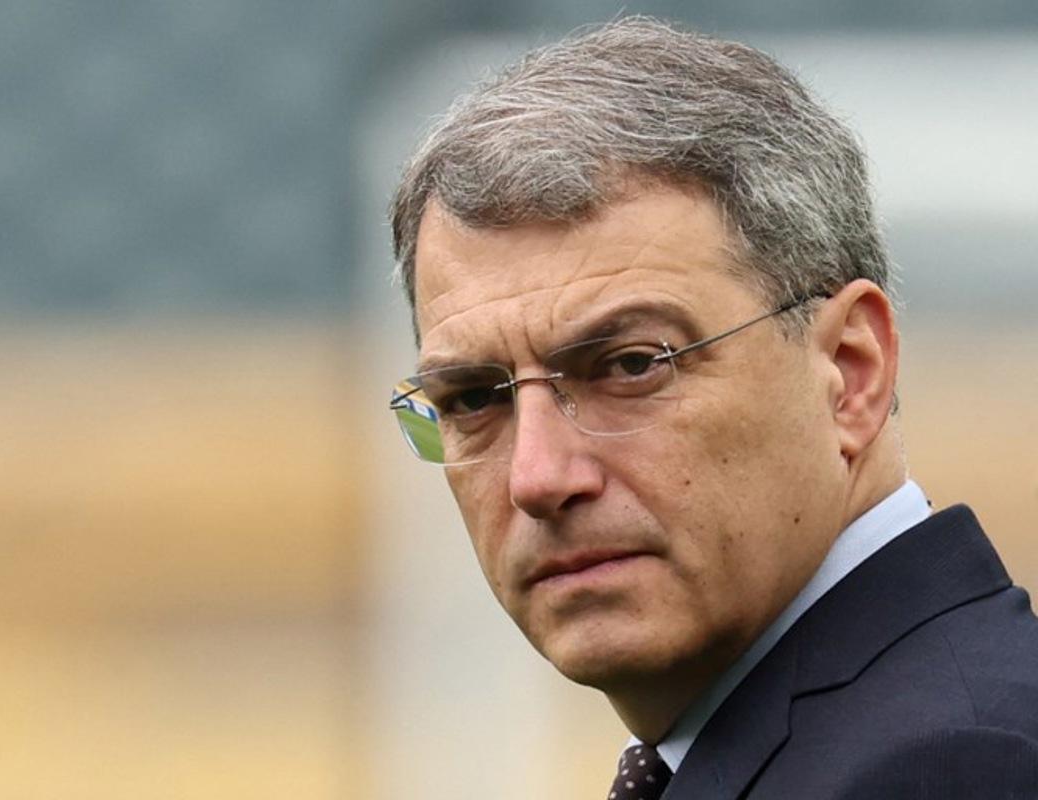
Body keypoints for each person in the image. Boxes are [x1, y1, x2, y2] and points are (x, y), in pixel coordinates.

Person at [384, 16, 1038, 799]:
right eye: (474, 399)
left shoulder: (945, 768)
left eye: (629, 365)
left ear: (850, 373)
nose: (537, 477)